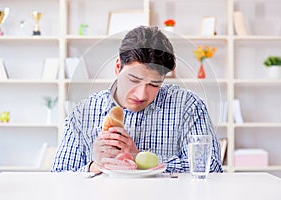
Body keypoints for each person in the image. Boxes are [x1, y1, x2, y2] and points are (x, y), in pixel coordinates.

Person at [51, 26, 223, 173]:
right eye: (133, 80)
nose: (141, 95)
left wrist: (139, 160)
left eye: (154, 84)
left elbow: (211, 166)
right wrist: (95, 166)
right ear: (118, 67)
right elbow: (59, 175)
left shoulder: (188, 106)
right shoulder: (84, 112)